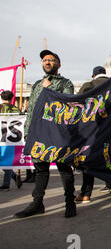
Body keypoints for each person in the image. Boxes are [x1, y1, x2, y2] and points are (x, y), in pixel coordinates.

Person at [14, 50, 77, 219]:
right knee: (40, 169)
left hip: (57, 133)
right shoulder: (36, 84)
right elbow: (31, 110)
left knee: (64, 168)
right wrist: (27, 131)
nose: (47, 62)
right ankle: (37, 203)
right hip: (37, 133)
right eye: (44, 60)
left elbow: (68, 105)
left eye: (51, 60)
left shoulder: (65, 83)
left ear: (58, 64)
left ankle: (70, 202)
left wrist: (50, 92)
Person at [74, 66, 111, 203]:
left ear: (93, 75)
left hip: (93, 129)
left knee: (88, 161)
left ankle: (86, 193)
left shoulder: (89, 85)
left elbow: (78, 103)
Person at [0, 90, 21, 190]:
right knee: (5, 160)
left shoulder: (0, 107)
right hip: (12, 138)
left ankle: (6, 183)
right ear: (12, 98)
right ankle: (12, 176)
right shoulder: (16, 109)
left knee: (4, 161)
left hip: (2, 136)